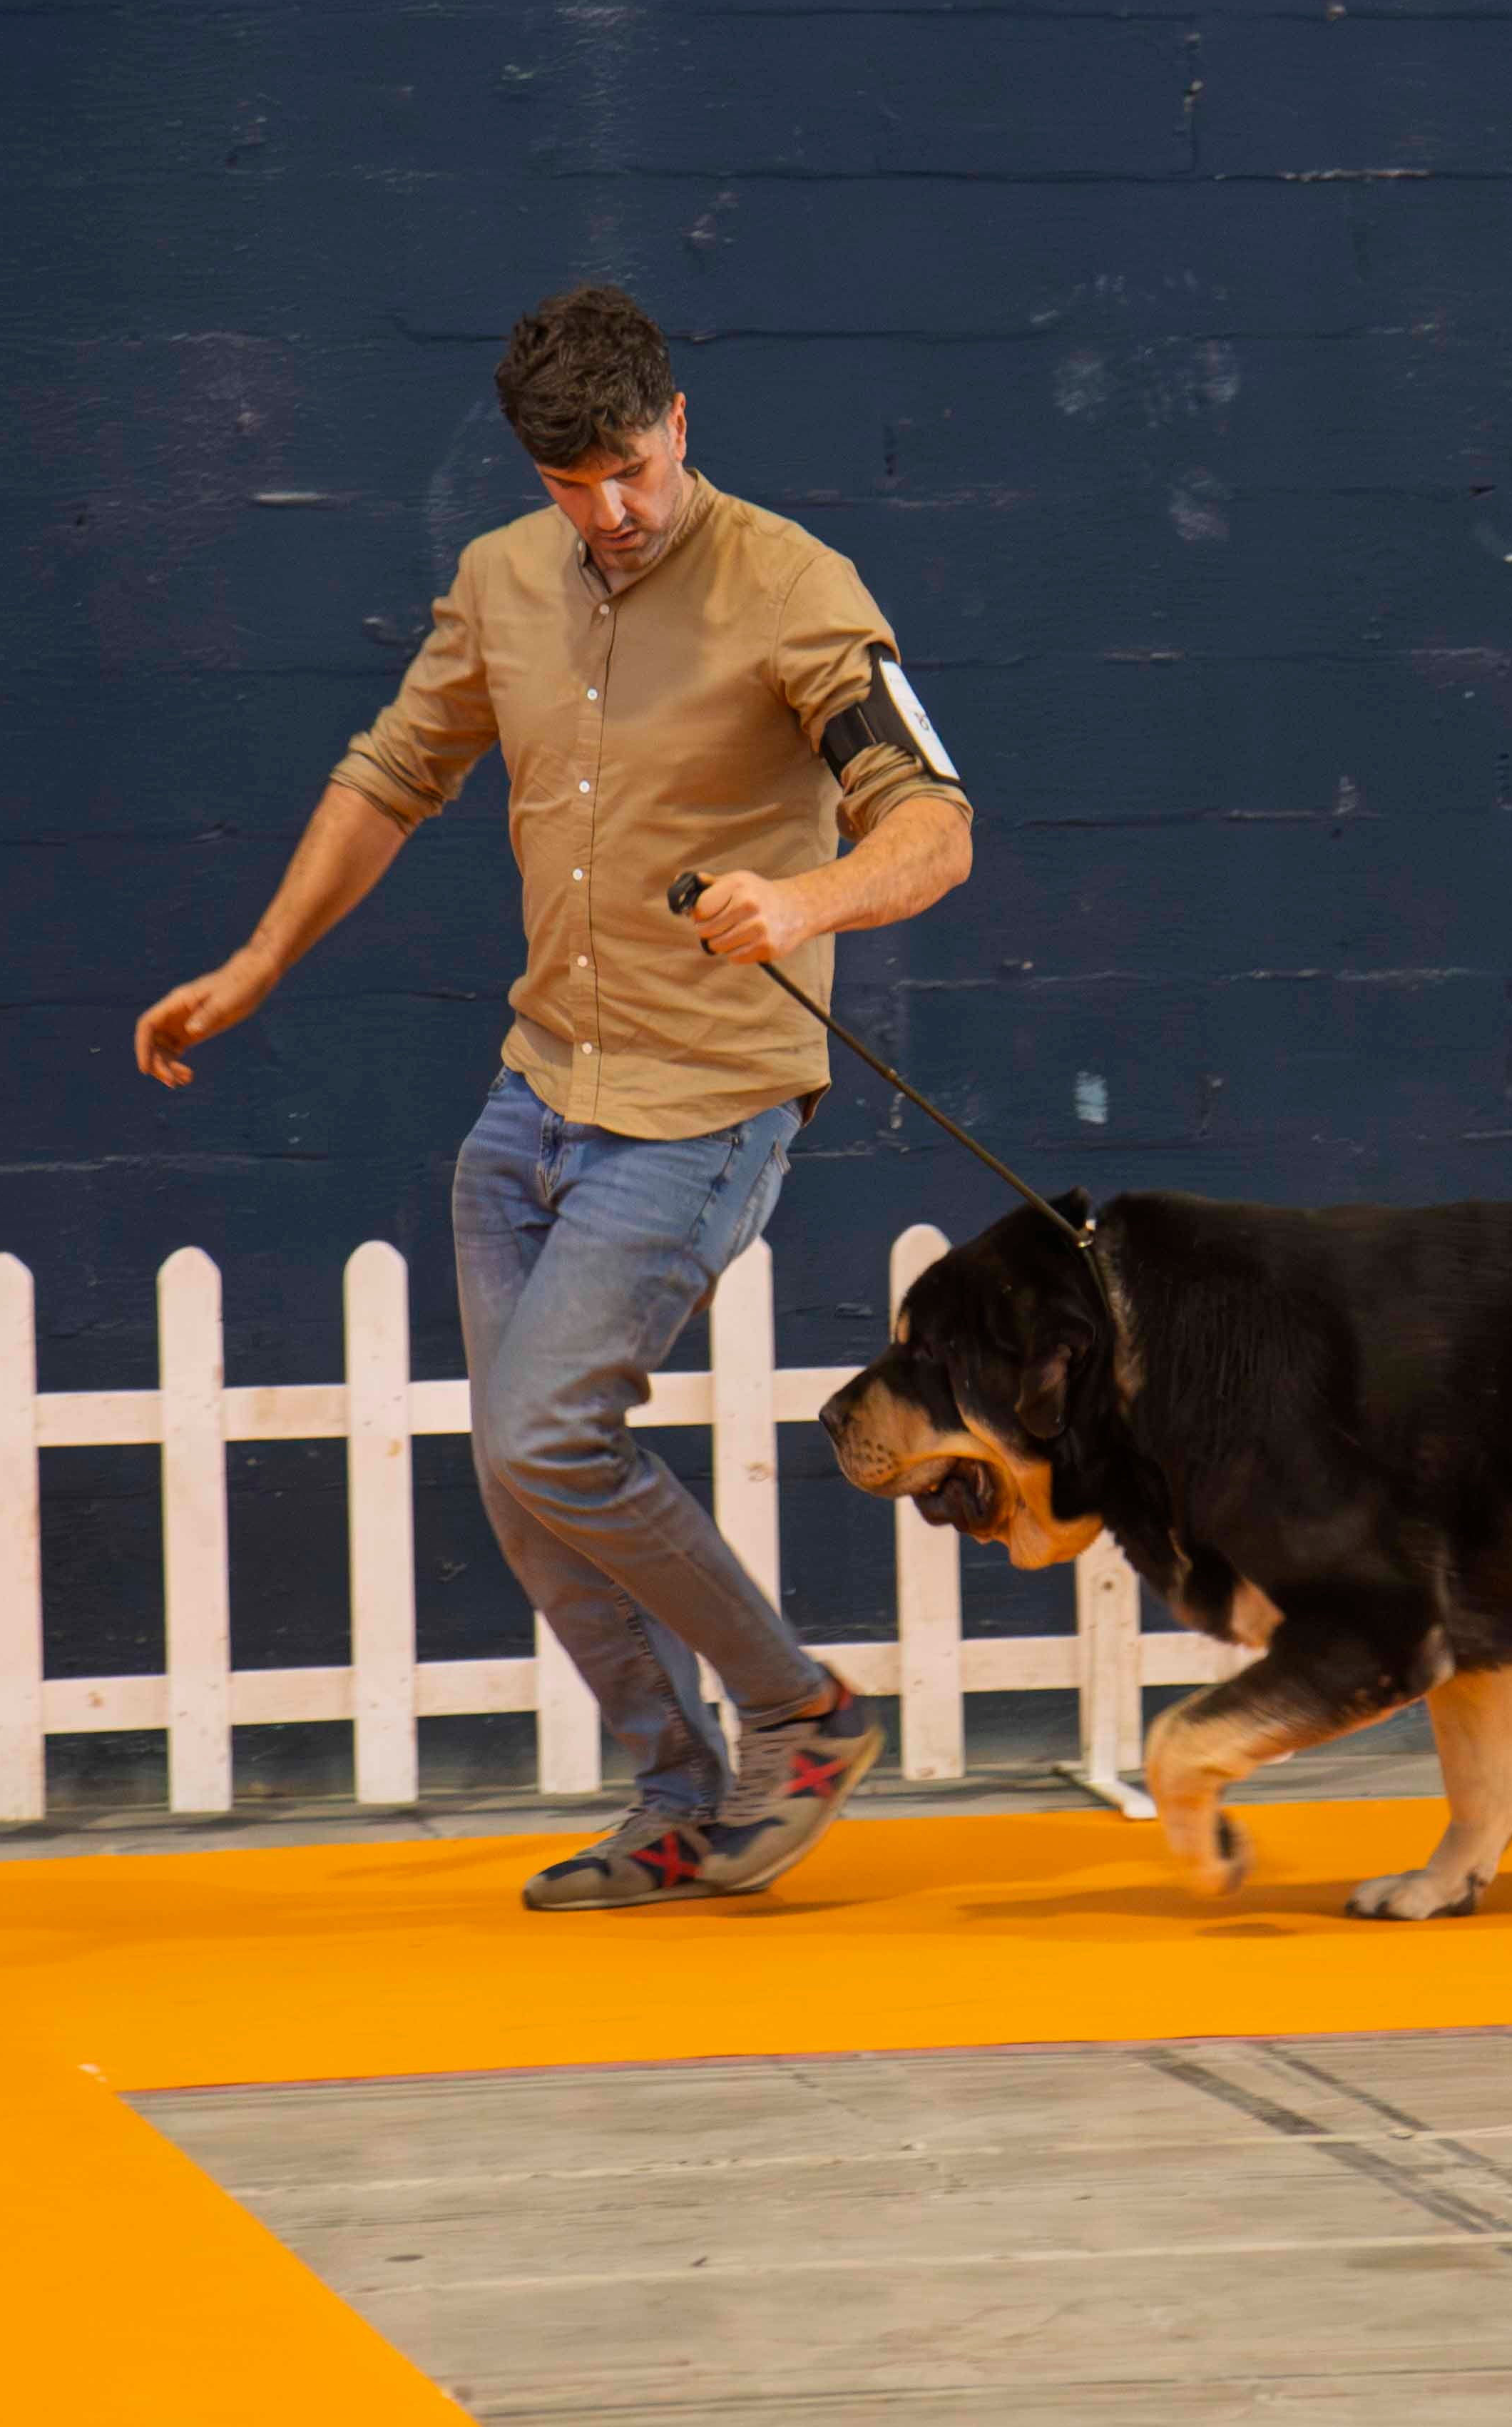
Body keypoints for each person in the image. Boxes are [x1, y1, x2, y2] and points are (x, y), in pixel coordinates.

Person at [133, 284, 976, 1908]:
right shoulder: (502, 584)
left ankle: (803, 1715)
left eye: (633, 468)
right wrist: (258, 964)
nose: (614, 509)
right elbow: (394, 773)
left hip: (708, 1101)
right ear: (535, 475)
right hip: (534, 1100)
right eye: (573, 482)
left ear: (677, 422)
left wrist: (807, 903)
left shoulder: (796, 588)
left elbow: (933, 820)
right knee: (526, 1478)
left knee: (541, 1434)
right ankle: (676, 1797)